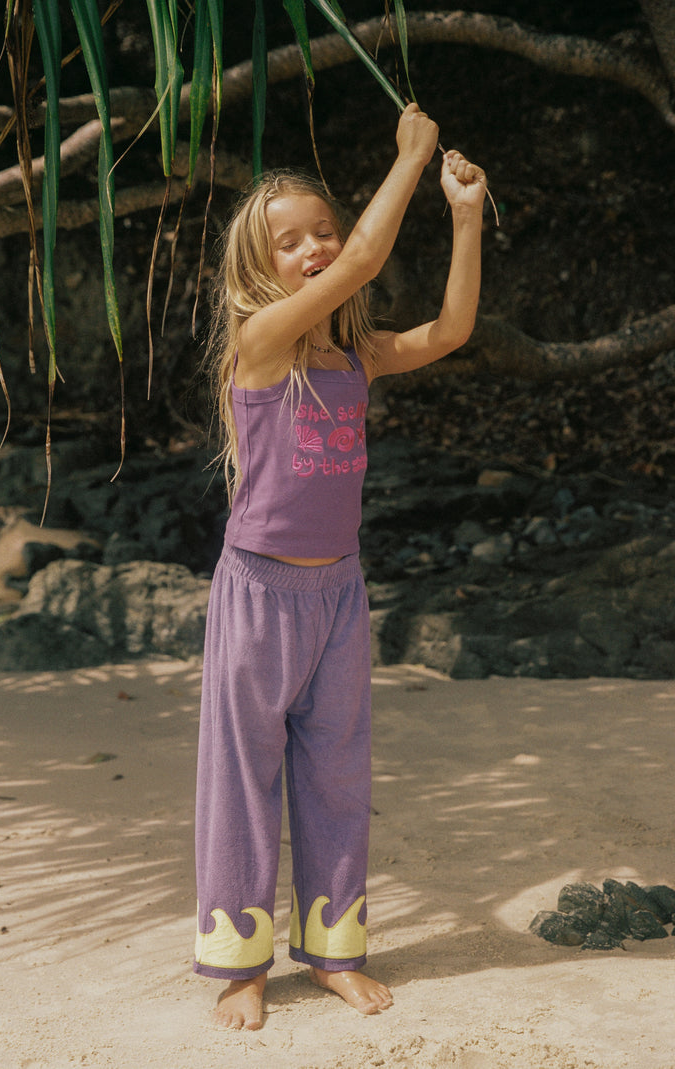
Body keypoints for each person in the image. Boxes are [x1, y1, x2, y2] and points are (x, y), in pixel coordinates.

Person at [194, 102, 487, 1030]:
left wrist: (465, 215)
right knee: (243, 773)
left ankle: (331, 951)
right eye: (292, 242)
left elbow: (448, 331)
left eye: (323, 229)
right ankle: (240, 964)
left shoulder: (353, 357)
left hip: (338, 593)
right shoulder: (262, 345)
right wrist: (406, 157)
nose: (317, 247)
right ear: (259, 270)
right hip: (258, 594)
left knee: (335, 773)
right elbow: (364, 262)